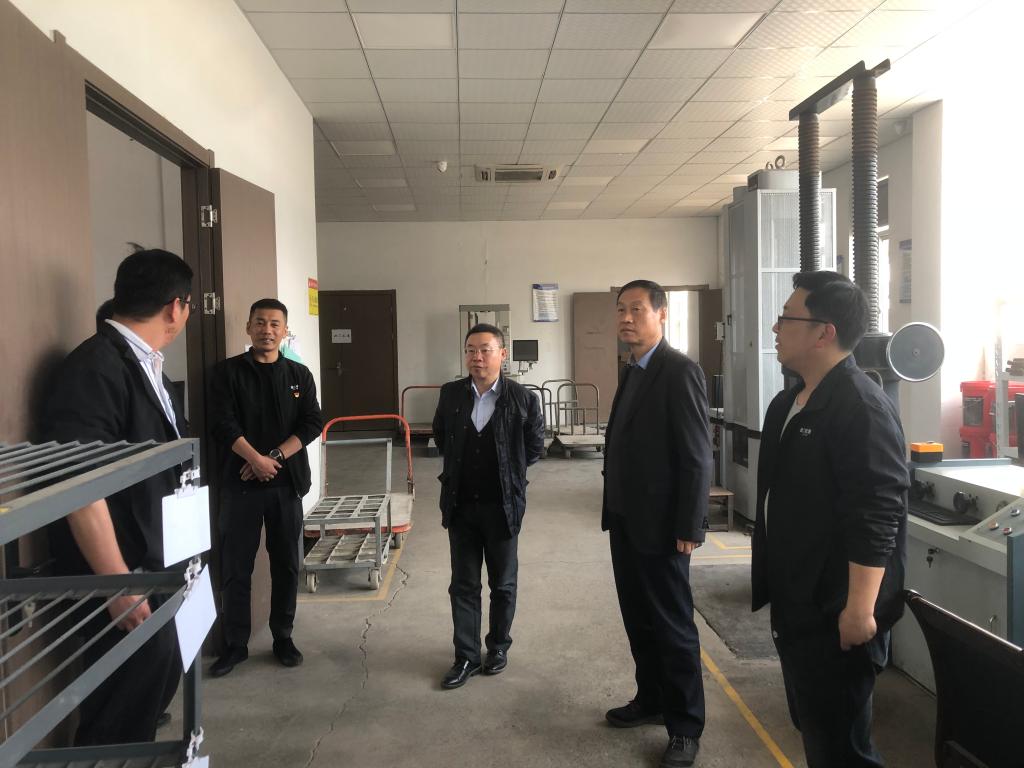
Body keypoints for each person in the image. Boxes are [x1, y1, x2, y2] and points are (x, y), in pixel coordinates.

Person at [752, 271, 908, 767]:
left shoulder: (861, 407)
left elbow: (877, 512)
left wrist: (860, 609)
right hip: (797, 602)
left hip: (836, 611)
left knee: (843, 748)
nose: (775, 328)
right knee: (815, 730)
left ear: (825, 332)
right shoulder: (788, 403)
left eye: (786, 318)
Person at [41, 249, 193, 745]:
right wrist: (117, 583)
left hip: (156, 559)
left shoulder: (148, 365)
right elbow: (78, 485)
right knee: (120, 706)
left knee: (154, 678)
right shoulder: (95, 367)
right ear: (175, 307)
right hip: (124, 571)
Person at [602, 280, 713, 768]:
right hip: (627, 521)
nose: (626, 318)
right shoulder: (633, 370)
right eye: (621, 310)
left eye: (637, 309)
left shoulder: (679, 371)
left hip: (665, 527)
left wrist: (690, 525)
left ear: (662, 314)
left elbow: (697, 455)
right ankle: (651, 699)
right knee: (639, 619)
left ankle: (685, 726)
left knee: (672, 626)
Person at [209, 298, 322, 677]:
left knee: (286, 563)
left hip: (286, 485)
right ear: (248, 327)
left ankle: (283, 636)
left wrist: (271, 457)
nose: (267, 330)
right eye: (260, 322)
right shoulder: (227, 373)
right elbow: (222, 423)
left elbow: (311, 422)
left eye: (275, 324)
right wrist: (253, 459)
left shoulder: (299, 375)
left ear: (285, 331)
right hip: (239, 485)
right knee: (235, 566)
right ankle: (235, 644)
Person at [431, 323, 544, 689]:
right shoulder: (451, 394)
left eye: (484, 349)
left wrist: (509, 475)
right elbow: (441, 435)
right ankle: (465, 656)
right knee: (463, 585)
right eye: (470, 350)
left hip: (502, 507)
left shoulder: (522, 399)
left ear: (502, 354)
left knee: (503, 584)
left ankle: (497, 647)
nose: (476, 357)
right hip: (461, 505)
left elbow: (534, 447)